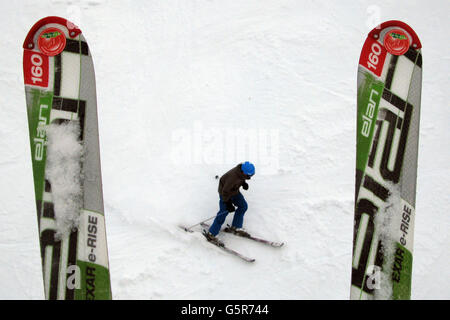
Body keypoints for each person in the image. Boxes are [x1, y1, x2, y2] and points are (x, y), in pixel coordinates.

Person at [204, 161, 255, 246]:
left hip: (234, 191)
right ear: (244, 172)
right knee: (223, 212)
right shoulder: (233, 178)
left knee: (243, 206)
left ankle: (236, 227)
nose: (250, 177)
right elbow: (225, 192)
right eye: (249, 175)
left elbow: (241, 178)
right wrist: (228, 203)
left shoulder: (241, 172)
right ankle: (211, 234)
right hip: (225, 194)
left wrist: (243, 183)